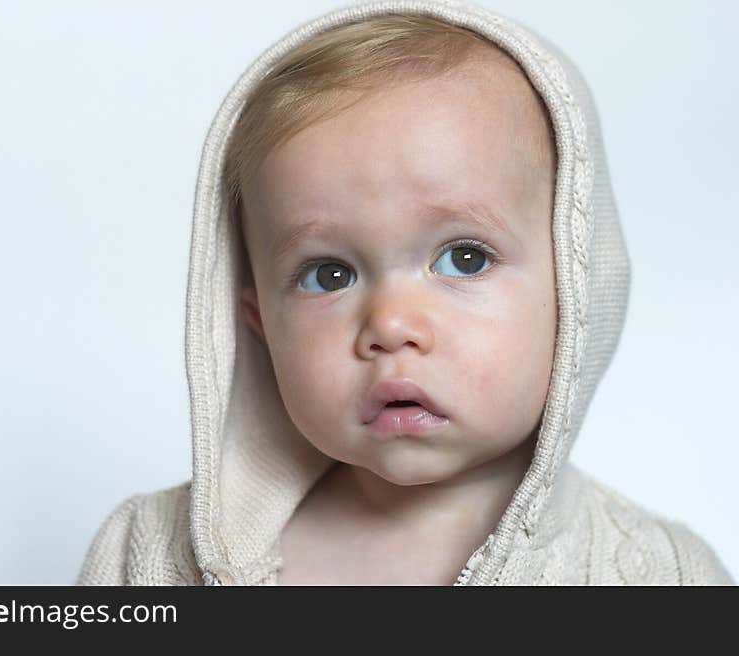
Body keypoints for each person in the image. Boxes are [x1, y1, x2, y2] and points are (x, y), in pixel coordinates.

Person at [76, 0, 734, 585]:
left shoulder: (659, 575)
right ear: (257, 324)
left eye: (465, 258)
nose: (390, 324)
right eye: (327, 275)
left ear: (576, 283)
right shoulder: (149, 556)